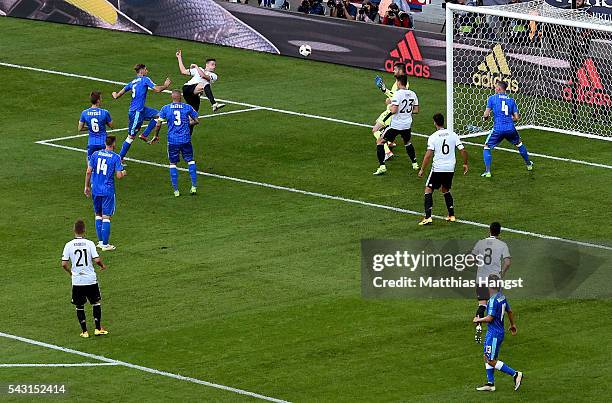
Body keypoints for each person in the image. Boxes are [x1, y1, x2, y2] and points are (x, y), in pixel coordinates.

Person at [473, 275, 523, 392]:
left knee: (491, 359)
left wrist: (478, 320)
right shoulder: (501, 297)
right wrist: (512, 324)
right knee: (486, 356)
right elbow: (509, 311)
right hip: (495, 332)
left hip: (494, 334)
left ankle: (515, 374)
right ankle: (490, 384)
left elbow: (490, 318)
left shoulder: (492, 300)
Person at [111, 64, 171, 161]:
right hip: (136, 113)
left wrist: (114, 94)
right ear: (141, 70)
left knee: (159, 115)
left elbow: (118, 95)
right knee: (130, 137)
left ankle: (144, 135)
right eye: (146, 69)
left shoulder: (132, 82)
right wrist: (166, 85)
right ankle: (120, 159)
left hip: (141, 109)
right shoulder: (145, 79)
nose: (147, 71)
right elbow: (157, 89)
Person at [417, 113, 468, 225]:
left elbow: (428, 155)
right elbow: (463, 150)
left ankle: (428, 217)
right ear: (443, 121)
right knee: (445, 189)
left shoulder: (433, 137)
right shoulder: (453, 134)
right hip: (450, 168)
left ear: (434, 122)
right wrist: (465, 164)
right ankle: (451, 215)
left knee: (428, 189)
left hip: (438, 168)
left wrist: (422, 170)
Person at [61, 219, 108, 338]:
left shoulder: (68, 245)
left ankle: (84, 331)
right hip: (90, 279)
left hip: (77, 281)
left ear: (74, 230)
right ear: (84, 230)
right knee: (95, 303)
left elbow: (64, 264)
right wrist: (102, 266)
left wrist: (71, 272)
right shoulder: (90, 243)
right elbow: (97, 260)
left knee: (79, 306)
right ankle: (98, 329)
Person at [149, 90, 200, 197]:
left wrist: (155, 135)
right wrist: (187, 124)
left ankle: (176, 191)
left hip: (172, 141)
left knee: (173, 163)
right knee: (190, 161)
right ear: (180, 97)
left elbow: (158, 124)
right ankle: (194, 187)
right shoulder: (187, 107)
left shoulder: (165, 108)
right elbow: (196, 121)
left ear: (172, 97)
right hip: (185, 139)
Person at [482, 81, 533, 177]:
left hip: (498, 129)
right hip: (510, 128)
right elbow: (517, 118)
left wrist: (485, 118)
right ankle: (529, 164)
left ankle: (487, 171)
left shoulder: (492, 98)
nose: (494, 88)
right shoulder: (511, 100)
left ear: (499, 89)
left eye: (495, 87)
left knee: (486, 147)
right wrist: (509, 119)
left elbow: (486, 114)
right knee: (519, 144)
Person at [471, 222, 511, 343]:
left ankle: (478, 325)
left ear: (489, 230)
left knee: (482, 304)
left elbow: (471, 258)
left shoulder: (480, 242)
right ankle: (494, 330)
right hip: (494, 278)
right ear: (499, 232)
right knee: (495, 303)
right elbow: (508, 262)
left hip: (481, 278)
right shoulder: (502, 244)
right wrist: (502, 273)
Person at [84, 136, 127, 251]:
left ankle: (100, 242)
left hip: (96, 189)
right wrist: (124, 172)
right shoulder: (116, 157)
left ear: (104, 143)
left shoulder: (95, 154)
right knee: (106, 216)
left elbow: (88, 171)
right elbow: (118, 176)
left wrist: (86, 186)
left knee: (98, 214)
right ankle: (105, 245)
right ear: (113, 144)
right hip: (107, 190)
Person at [373, 75, 419, 175]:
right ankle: (415, 164)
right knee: (407, 142)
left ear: (398, 83)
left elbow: (394, 110)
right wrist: (406, 112)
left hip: (396, 125)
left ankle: (382, 166)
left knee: (380, 141)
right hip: (407, 124)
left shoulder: (398, 94)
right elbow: (416, 110)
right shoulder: (413, 94)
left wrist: (388, 111)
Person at [176, 50, 225, 121]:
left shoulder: (214, 75)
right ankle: (214, 104)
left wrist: (196, 66)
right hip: (187, 88)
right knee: (204, 84)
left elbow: (203, 76)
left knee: (193, 117)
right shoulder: (198, 70)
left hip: (194, 94)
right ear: (207, 64)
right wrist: (179, 58)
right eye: (212, 64)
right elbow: (183, 71)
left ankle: (186, 130)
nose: (214, 66)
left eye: (215, 65)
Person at [373, 62, 407, 161]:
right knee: (390, 129)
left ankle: (387, 152)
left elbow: (398, 96)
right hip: (395, 110)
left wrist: (384, 90)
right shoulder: (401, 81)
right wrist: (389, 99)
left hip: (393, 111)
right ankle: (390, 142)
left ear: (400, 71)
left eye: (395, 69)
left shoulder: (401, 83)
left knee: (375, 129)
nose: (393, 71)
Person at [78, 91, 113, 164]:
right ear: (98, 101)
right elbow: (111, 126)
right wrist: (103, 123)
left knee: (90, 161)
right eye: (101, 98)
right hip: (103, 142)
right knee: (105, 161)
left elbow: (80, 128)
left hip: (92, 142)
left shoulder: (84, 113)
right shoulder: (105, 112)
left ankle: (90, 174)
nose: (101, 100)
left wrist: (89, 127)